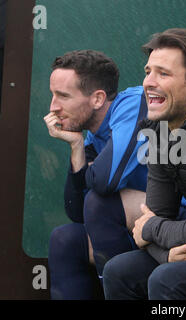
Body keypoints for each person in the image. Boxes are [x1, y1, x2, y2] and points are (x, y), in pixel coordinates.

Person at [102, 28, 186, 300]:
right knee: (119, 271)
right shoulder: (161, 128)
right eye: (148, 71)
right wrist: (165, 254)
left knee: (167, 280)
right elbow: (155, 217)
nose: (149, 82)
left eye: (163, 73)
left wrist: (152, 231)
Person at [44, 50, 149, 299]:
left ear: (98, 99)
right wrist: (77, 147)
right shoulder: (92, 133)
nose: (53, 107)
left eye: (63, 96)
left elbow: (104, 183)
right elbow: (76, 212)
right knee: (65, 239)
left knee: (100, 200)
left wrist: (91, 167)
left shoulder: (133, 104)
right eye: (52, 94)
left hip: (178, 219)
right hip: (130, 228)